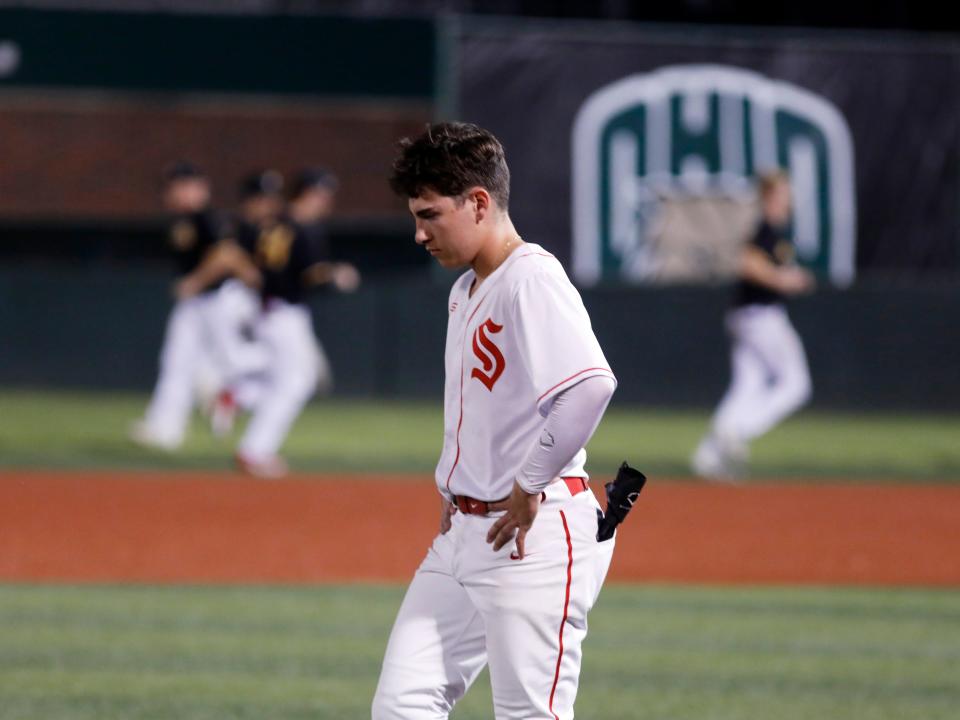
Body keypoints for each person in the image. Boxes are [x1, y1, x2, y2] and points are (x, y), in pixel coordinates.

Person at [372, 122, 618, 719]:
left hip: (533, 535)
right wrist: (453, 490)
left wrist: (529, 481)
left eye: (430, 214)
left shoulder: (530, 277)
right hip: (465, 533)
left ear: (478, 203)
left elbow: (589, 388)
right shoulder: (467, 289)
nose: (418, 232)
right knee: (402, 704)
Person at [692, 170, 814, 480]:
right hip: (762, 316)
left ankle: (706, 456)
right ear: (772, 196)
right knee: (796, 384)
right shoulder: (766, 229)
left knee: (747, 386)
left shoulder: (776, 232)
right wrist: (783, 279)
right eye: (784, 192)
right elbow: (747, 263)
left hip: (745, 316)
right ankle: (737, 431)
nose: (789, 198)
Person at [130, 161, 254, 451]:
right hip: (196, 303)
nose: (172, 194)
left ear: (197, 188)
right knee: (176, 361)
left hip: (218, 297)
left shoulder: (210, 218)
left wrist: (196, 281)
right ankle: (165, 428)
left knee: (232, 359)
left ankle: (234, 384)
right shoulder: (183, 221)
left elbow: (227, 255)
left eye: (179, 187)